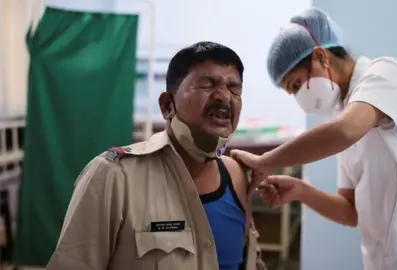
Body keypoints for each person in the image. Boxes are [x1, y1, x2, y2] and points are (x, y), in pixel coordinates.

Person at [232, 8, 397, 270]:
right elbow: (352, 212)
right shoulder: (344, 112)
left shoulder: (385, 74)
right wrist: (300, 191)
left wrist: (266, 162)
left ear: (320, 57)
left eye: (295, 85)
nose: (298, 98)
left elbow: (345, 132)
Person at [46, 41, 266, 270]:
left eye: (234, 88)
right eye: (207, 85)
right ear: (167, 106)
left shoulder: (236, 175)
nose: (224, 97)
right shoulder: (114, 177)